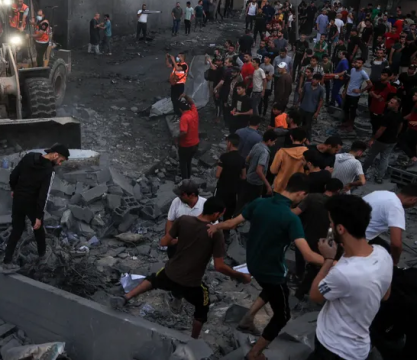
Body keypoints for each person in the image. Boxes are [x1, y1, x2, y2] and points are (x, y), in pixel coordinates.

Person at [210, 173, 324, 360]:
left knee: (272, 290)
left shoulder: (259, 202)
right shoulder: (291, 218)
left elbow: (232, 223)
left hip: (253, 264)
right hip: (272, 271)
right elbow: (308, 255)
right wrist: (333, 261)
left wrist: (216, 226)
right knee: (282, 315)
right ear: (301, 194)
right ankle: (255, 353)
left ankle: (247, 319)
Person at [110, 197, 251, 338]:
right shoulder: (215, 233)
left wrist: (180, 240)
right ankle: (193, 339)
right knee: (203, 307)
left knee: (153, 279)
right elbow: (219, 266)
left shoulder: (184, 220)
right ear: (215, 214)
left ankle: (125, 297)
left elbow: (164, 242)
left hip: (171, 272)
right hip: (191, 282)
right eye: (221, 214)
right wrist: (240, 276)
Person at [308, 195, 392, 360]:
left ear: (340, 229)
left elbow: (315, 296)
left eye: (331, 223)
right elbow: (385, 295)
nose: (329, 226)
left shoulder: (343, 273)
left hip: (333, 347)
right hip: (358, 348)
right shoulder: (382, 253)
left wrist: (328, 260)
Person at [2, 145, 69, 272]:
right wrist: (38, 216)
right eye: (61, 160)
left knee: (16, 230)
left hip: (18, 199)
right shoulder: (49, 171)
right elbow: (43, 195)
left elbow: (14, 175)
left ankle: (7, 261)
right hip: (31, 203)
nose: (60, 164)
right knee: (38, 229)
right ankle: (43, 256)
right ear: (55, 155)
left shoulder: (29, 156)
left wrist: (13, 189)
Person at [291, 178, 343, 300]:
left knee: (301, 255)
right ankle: (302, 290)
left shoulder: (311, 197)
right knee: (315, 267)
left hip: (305, 235)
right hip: (322, 241)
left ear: (325, 186)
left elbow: (295, 212)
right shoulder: (337, 206)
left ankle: (298, 276)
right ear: (338, 191)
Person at [362, 184, 417, 265]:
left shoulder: (382, 193)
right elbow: (396, 244)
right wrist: (395, 262)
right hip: (357, 238)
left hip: (348, 226)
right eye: (415, 204)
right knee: (384, 257)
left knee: (386, 247)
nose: (413, 206)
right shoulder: (396, 207)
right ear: (413, 199)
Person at [361, 97, 401, 183]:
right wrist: (396, 134)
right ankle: (379, 177)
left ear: (397, 105)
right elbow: (401, 125)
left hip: (382, 140)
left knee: (371, 155)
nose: (388, 103)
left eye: (392, 103)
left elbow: (381, 130)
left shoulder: (388, 116)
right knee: (385, 158)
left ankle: (362, 171)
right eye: (389, 101)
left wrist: (372, 139)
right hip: (393, 141)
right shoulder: (399, 114)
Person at [237, 130, 276, 212]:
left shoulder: (257, 145)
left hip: (249, 178)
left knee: (242, 201)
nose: (274, 144)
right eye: (274, 141)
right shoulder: (265, 153)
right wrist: (268, 185)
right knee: (253, 204)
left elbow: (247, 159)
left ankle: (235, 215)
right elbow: (259, 170)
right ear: (269, 140)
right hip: (256, 183)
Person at [215, 134, 245, 219]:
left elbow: (217, 175)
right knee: (228, 214)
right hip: (233, 191)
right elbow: (244, 176)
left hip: (222, 189)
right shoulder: (242, 159)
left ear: (230, 143)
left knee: (217, 210)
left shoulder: (224, 157)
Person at [270, 127, 307, 193]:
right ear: (304, 139)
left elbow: (273, 170)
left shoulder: (282, 152)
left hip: (280, 187)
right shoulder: (307, 153)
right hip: (296, 189)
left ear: (291, 137)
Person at [341, 58, 371, 131]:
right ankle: (347, 122)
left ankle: (351, 124)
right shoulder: (352, 70)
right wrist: (345, 90)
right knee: (346, 108)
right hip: (348, 92)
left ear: (362, 64)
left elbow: (370, 84)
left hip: (354, 95)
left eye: (359, 63)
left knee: (352, 110)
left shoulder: (363, 73)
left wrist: (361, 90)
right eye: (357, 62)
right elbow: (350, 80)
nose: (357, 64)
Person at [177, 95, 199, 179]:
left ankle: (185, 180)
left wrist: (176, 138)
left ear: (180, 109)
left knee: (183, 162)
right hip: (195, 143)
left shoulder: (184, 117)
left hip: (186, 145)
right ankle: (189, 177)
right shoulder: (194, 111)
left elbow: (184, 132)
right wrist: (185, 96)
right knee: (188, 161)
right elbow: (192, 102)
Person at [298, 73, 325, 138]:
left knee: (308, 126)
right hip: (302, 108)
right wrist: (298, 103)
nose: (314, 80)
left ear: (319, 81)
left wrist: (317, 112)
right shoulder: (306, 85)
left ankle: (307, 139)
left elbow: (321, 101)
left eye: (316, 79)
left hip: (311, 111)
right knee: (299, 124)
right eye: (313, 78)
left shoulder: (321, 89)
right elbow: (302, 95)